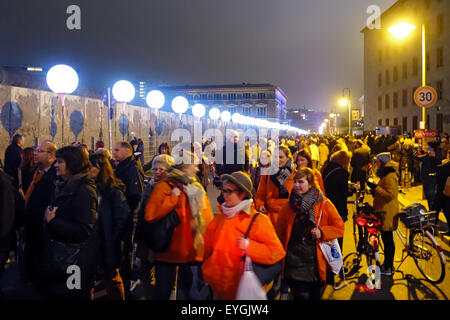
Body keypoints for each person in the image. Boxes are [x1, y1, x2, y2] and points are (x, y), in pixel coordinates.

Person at [201, 171, 285, 300]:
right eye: (224, 190)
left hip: (243, 291)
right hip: (218, 287)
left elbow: (277, 252)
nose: (225, 195)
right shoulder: (221, 217)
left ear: (243, 193)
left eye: (229, 191)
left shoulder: (258, 220)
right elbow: (207, 247)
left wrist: (249, 247)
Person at [144, 151, 214, 300]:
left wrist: (207, 247)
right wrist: (172, 199)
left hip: (189, 251)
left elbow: (206, 221)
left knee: (189, 294)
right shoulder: (165, 187)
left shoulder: (196, 188)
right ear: (184, 167)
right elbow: (150, 215)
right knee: (163, 293)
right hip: (167, 251)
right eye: (193, 166)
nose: (197, 169)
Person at [276, 168, 345, 300]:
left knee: (315, 296)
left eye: (301, 182)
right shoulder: (288, 207)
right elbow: (279, 233)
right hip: (295, 265)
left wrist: (322, 232)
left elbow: (339, 227)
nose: (296, 185)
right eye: (295, 182)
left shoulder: (324, 204)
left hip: (316, 265)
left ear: (311, 184)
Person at [41, 145, 98, 299]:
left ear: (72, 164)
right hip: (61, 257)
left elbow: (84, 230)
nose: (55, 165)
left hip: (75, 262)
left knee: (73, 295)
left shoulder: (84, 190)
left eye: (60, 162)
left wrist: (53, 222)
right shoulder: (62, 185)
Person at [89, 153, 130, 300]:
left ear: (100, 168)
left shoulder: (113, 191)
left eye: (92, 166)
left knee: (112, 279)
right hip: (95, 242)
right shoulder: (93, 187)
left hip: (108, 244)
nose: (89, 169)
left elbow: (121, 221)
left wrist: (112, 242)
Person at [135, 154, 175, 300]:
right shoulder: (150, 185)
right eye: (154, 169)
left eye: (161, 169)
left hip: (163, 240)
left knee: (165, 277)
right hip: (146, 236)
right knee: (145, 272)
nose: (157, 172)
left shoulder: (171, 189)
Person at [22, 140, 57, 285]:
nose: (35, 154)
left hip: (43, 230)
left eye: (39, 151)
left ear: (51, 155)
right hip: (32, 226)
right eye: (35, 150)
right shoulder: (37, 173)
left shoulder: (55, 177)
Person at [113, 141, 145, 296]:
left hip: (128, 214)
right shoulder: (122, 166)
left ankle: (129, 278)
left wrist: (125, 210)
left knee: (128, 246)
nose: (114, 152)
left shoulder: (131, 168)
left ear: (127, 151)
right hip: (123, 213)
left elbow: (135, 194)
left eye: (117, 150)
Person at [370, 152, 399, 276]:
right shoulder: (386, 173)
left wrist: (376, 188)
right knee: (387, 240)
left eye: (377, 161)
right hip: (384, 210)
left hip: (387, 212)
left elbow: (391, 194)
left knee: (388, 241)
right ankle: (388, 265)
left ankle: (388, 267)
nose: (375, 164)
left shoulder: (390, 175)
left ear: (382, 162)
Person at [321, 150, 356, 251]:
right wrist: (353, 190)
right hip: (339, 208)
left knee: (329, 235)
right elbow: (343, 192)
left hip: (327, 206)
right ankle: (337, 257)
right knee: (338, 234)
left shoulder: (327, 168)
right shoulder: (342, 172)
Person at [255, 145, 295, 227]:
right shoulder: (267, 173)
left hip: (288, 219)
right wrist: (260, 204)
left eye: (281, 157)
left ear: (288, 158)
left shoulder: (295, 174)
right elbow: (260, 194)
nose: (277, 160)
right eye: (275, 157)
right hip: (270, 217)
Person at [414, 143, 442, 210]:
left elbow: (416, 157)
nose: (428, 149)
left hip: (430, 178)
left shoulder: (432, 157)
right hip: (430, 178)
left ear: (433, 149)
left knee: (430, 195)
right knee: (431, 195)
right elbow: (424, 156)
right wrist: (421, 151)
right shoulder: (432, 156)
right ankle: (433, 209)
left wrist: (416, 150)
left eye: (430, 148)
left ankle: (432, 210)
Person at [432, 150, 450, 236]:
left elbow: (438, 169)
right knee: (445, 211)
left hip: (443, 192)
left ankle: (432, 228)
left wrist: (434, 158)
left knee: (435, 209)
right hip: (445, 192)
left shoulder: (447, 165)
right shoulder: (446, 164)